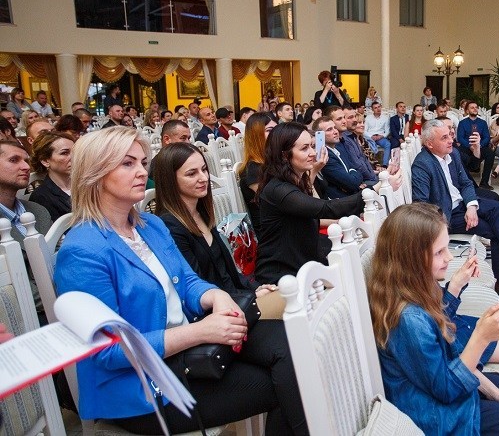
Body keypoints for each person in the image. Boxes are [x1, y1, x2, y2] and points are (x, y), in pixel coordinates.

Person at [53, 127, 305, 434]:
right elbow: (109, 351)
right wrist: (200, 332)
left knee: (294, 343)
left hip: (186, 347)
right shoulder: (82, 251)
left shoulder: (150, 225)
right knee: (287, 381)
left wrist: (217, 297)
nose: (141, 172)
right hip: (141, 386)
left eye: (142, 162)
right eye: (127, 163)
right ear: (95, 174)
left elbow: (187, 281)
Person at [367, 203, 499, 436]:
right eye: (439, 252)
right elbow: (447, 389)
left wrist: (497, 394)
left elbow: (444, 348)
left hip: (454, 394)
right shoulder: (408, 318)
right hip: (443, 417)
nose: (449, 256)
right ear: (410, 258)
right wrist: (481, 337)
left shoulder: (413, 288)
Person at [152, 142, 308, 433]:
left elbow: (230, 272)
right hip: (216, 316)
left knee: (301, 313)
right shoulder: (170, 226)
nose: (203, 178)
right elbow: (197, 286)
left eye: (204, 170)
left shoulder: (201, 214)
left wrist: (255, 288)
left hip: (238, 302)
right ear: (170, 181)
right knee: (299, 321)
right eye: (191, 173)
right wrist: (249, 295)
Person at [412, 120, 499, 301]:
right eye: (444, 137)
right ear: (430, 144)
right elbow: (421, 205)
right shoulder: (422, 164)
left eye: (450, 135)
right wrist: (443, 223)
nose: (451, 140)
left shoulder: (452, 154)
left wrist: (471, 206)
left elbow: (466, 183)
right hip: (445, 217)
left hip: (462, 205)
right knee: (498, 230)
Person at [255, 122, 364, 286]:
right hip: (283, 276)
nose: (313, 153)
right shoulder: (279, 190)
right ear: (284, 155)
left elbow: (313, 214)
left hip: (303, 262)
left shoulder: (294, 180)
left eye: (312, 146)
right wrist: (371, 193)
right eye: (305, 148)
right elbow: (324, 208)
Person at [0, 140, 52, 320]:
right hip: (18, 317)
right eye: (14, 160)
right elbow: (10, 287)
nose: (26, 167)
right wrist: (57, 298)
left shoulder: (38, 211)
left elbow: (55, 257)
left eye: (26, 161)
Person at [238, 113, 278, 232]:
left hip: (286, 223)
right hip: (272, 231)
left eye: (276, 129)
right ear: (256, 136)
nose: (276, 134)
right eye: (269, 130)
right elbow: (277, 204)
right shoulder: (253, 170)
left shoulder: (274, 162)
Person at [28, 131, 75, 222]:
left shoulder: (87, 185)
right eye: (64, 153)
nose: (73, 157)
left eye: (75, 152)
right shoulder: (41, 197)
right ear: (45, 161)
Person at [457, 101, 495, 190]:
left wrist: (479, 146)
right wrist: (470, 146)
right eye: (472, 107)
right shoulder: (462, 123)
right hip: (467, 147)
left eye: (476, 107)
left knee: (490, 154)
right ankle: (465, 181)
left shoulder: (483, 122)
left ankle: (484, 182)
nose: (475, 109)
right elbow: (460, 138)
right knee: (459, 153)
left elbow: (486, 137)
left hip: (480, 146)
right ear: (467, 111)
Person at [363, 102, 391, 166]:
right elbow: (364, 130)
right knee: (367, 146)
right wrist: (371, 136)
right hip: (370, 137)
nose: (378, 109)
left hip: (380, 137)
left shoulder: (385, 118)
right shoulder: (368, 118)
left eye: (379, 107)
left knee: (388, 144)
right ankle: (371, 165)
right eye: (375, 108)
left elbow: (387, 131)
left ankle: (385, 165)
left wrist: (381, 136)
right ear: (372, 110)